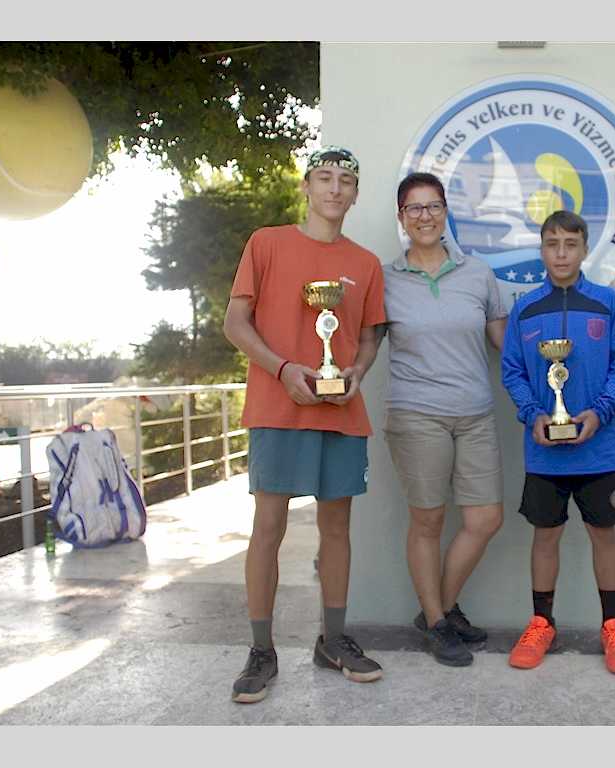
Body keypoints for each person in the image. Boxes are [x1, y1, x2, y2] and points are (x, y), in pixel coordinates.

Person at [223, 146, 387, 703]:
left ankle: (332, 640)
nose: (335, 188)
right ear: (307, 187)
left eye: (346, 180)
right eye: (324, 178)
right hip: (278, 406)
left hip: (341, 412)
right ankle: (261, 650)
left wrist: (358, 371)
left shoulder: (365, 263)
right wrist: (283, 369)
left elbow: (369, 336)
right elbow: (235, 322)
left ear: (356, 193)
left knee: (337, 528)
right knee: (268, 527)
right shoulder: (266, 243)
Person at [500, 209, 615, 675]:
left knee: (604, 534)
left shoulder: (606, 303)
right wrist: (533, 414)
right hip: (545, 453)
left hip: (599, 449)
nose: (561, 253)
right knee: (545, 535)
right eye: (552, 244)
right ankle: (542, 623)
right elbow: (513, 371)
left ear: (584, 250)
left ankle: (613, 627)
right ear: (541, 250)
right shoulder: (525, 309)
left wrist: (600, 412)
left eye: (570, 244)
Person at [383, 172, 507, 666]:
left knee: (485, 518)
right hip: (417, 414)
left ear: (446, 213)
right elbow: (364, 342)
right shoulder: (385, 279)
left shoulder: (478, 274)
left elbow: (503, 342)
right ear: (401, 217)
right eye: (414, 208)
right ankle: (438, 622)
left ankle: (438, 608)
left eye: (433, 206)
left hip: (475, 414)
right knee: (428, 519)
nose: (425, 216)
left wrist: (554, 372)